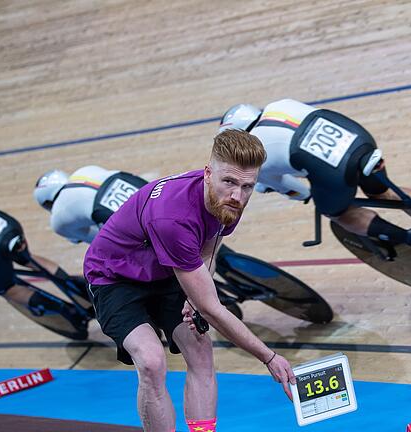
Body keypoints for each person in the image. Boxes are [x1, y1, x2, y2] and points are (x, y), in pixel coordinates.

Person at [83, 130, 295, 432]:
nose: (237, 195)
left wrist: (193, 295)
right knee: (152, 362)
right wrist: (268, 356)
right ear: (208, 174)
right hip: (115, 277)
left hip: (166, 267)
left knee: (200, 351)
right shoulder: (173, 219)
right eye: (230, 182)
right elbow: (213, 310)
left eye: (247, 186)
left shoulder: (228, 201)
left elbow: (210, 244)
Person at [218, 99, 411, 272]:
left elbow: (299, 192)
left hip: (334, 172)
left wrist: (275, 186)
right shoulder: (279, 105)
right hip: (359, 139)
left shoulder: (251, 155)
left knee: (338, 213)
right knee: (385, 191)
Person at [0, 194, 90, 339]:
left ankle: (66, 312)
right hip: (10, 227)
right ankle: (80, 291)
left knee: (5, 287)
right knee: (28, 258)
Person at [34, 165, 148, 244]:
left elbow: (97, 240)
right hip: (129, 180)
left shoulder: (57, 219)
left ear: (48, 202)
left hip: (105, 210)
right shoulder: (85, 169)